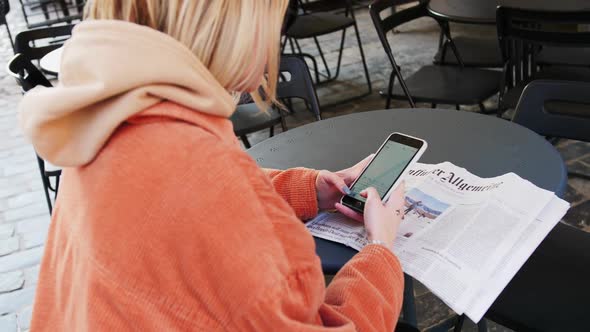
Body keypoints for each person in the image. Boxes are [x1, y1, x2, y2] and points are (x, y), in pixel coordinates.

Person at [19, 1, 407, 330]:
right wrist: (380, 249)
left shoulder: (107, 117)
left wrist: (311, 189)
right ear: (234, 26)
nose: (273, 43)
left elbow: (180, 196)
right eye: (275, 19)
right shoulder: (213, 190)